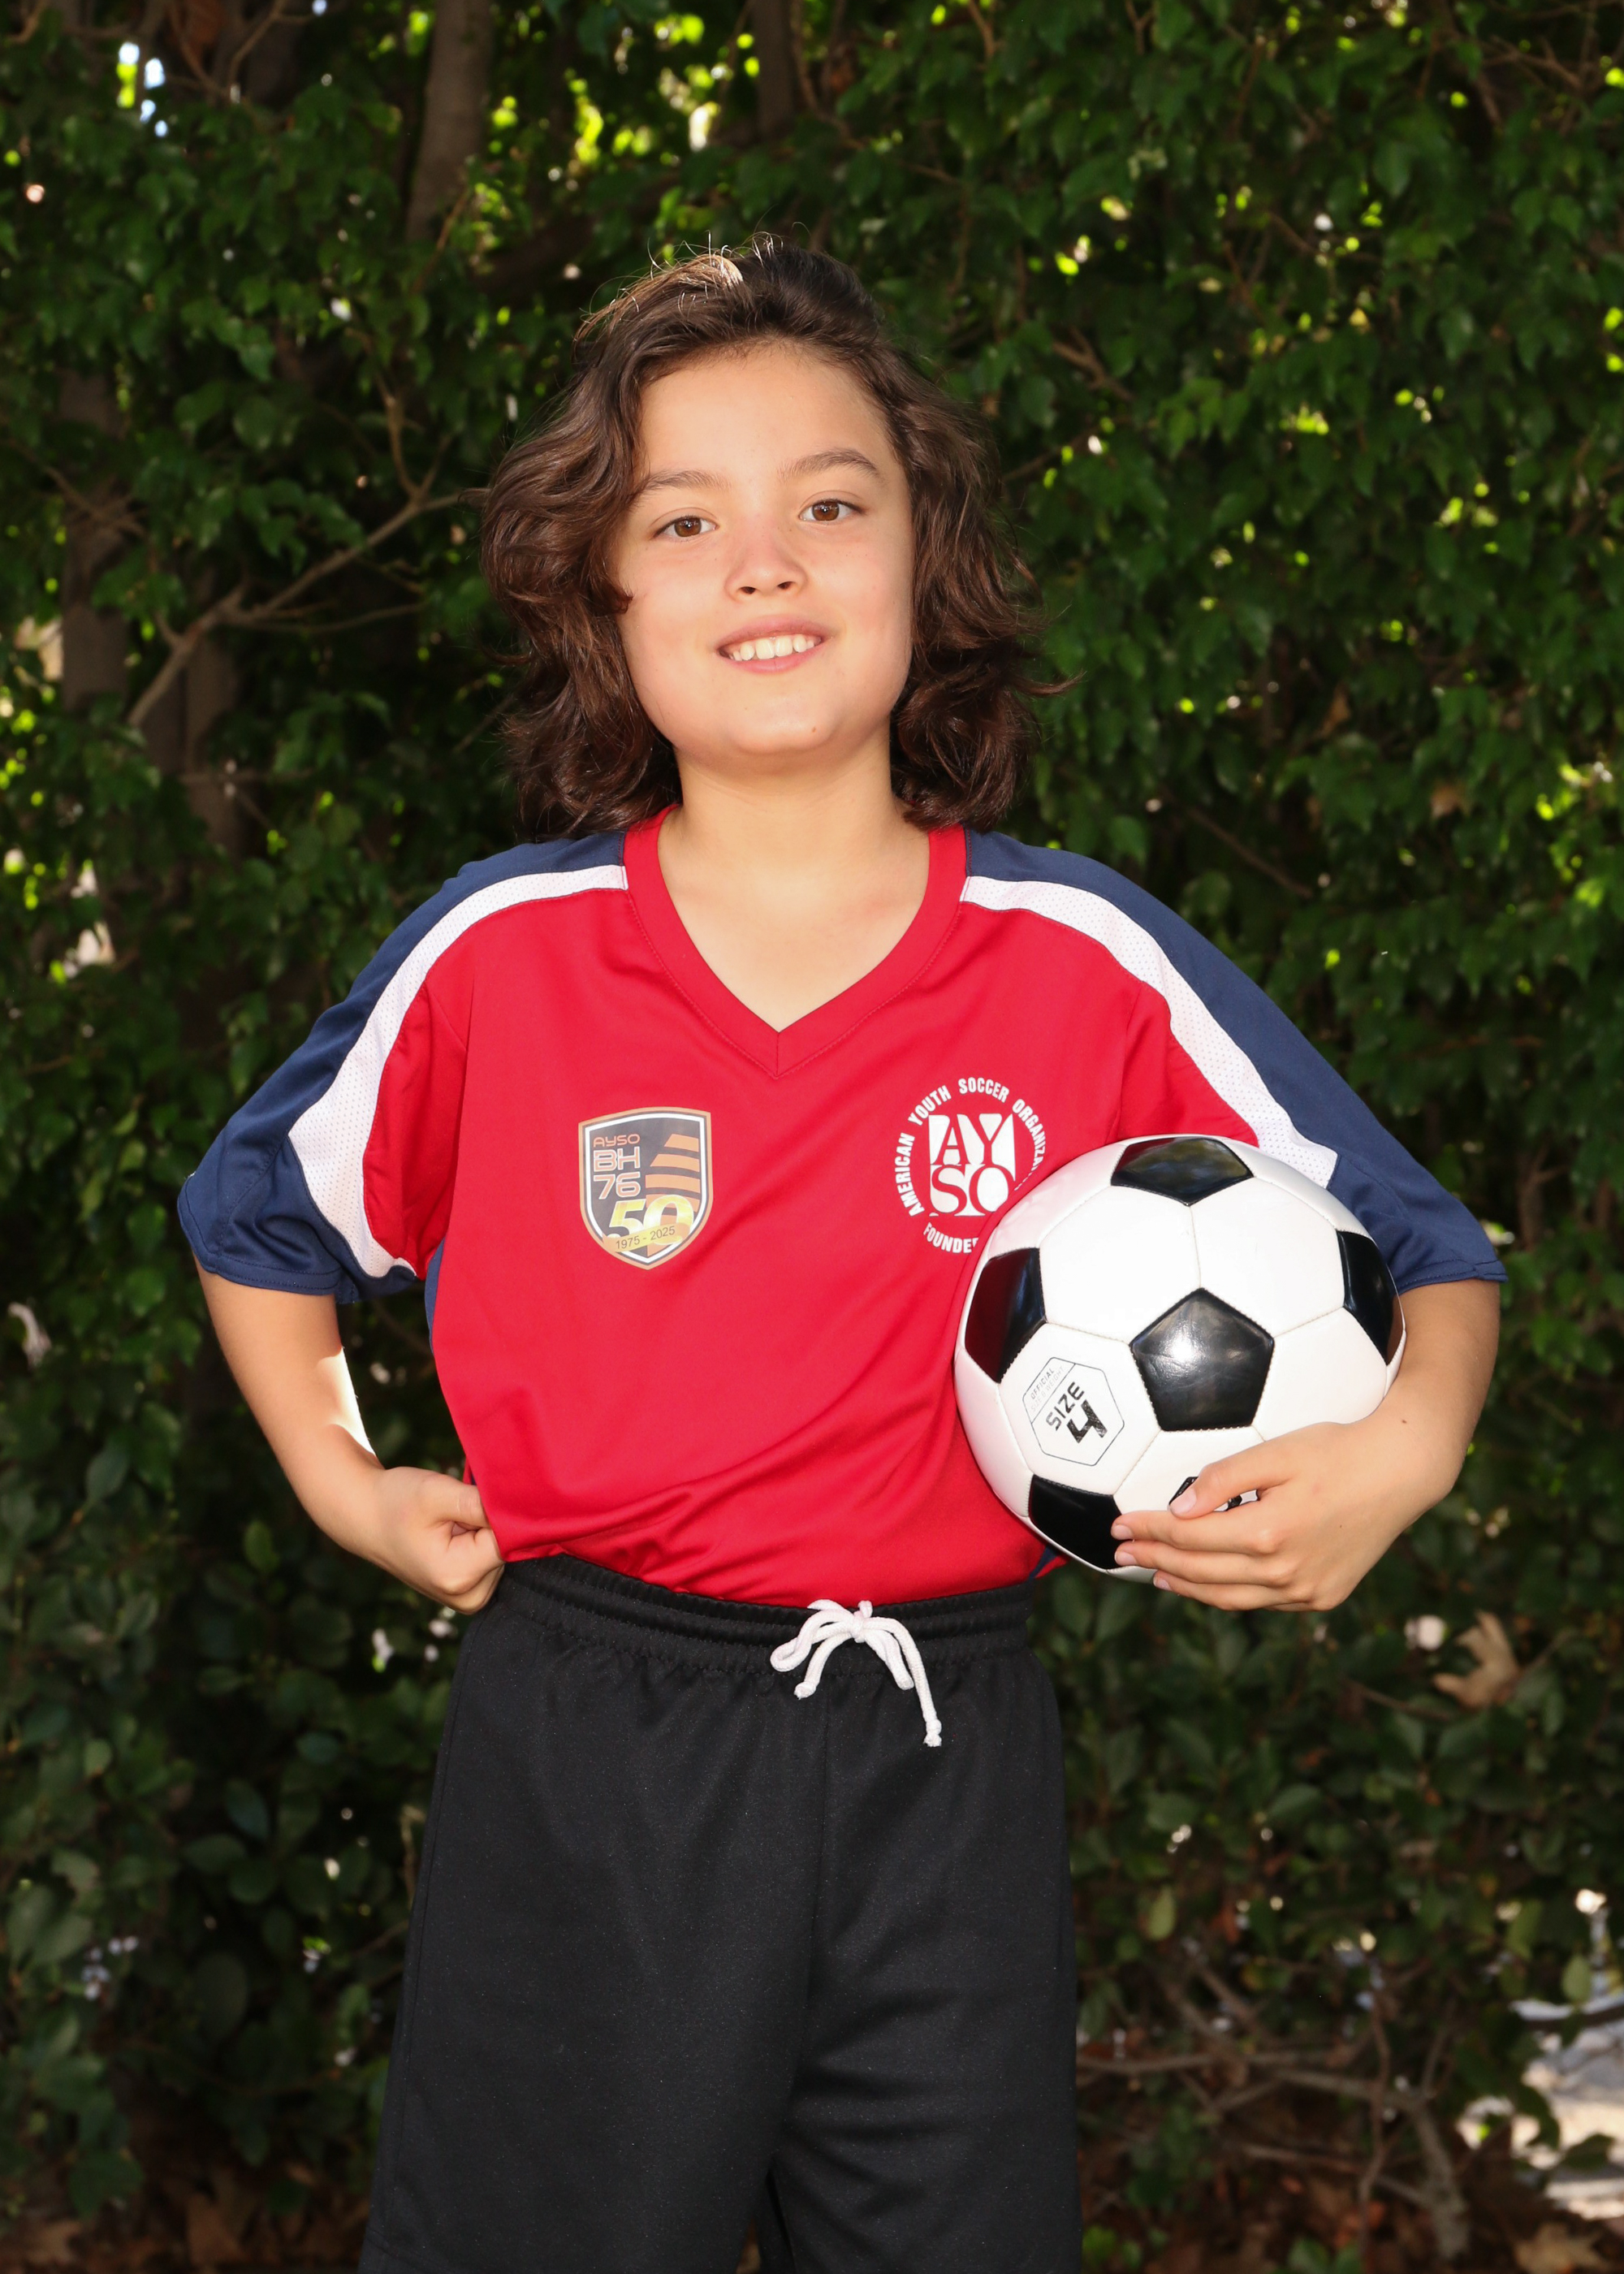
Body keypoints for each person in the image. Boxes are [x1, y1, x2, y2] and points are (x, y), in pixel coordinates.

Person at [179, 239, 1502, 2274]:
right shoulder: (503, 955)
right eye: (683, 522)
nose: (764, 563)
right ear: (602, 599)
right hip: (593, 1744)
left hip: (945, 1754)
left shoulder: (1082, 957)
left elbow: (1424, 1246)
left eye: (829, 502)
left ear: (923, 562)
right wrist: (344, 1479)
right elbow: (259, 1209)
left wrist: (1402, 1450)